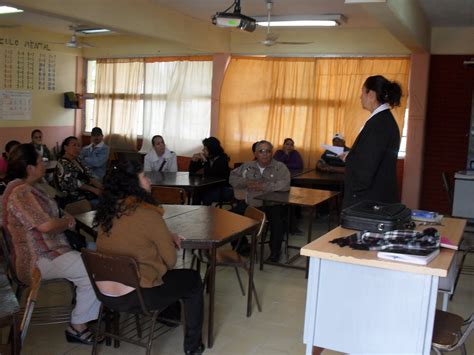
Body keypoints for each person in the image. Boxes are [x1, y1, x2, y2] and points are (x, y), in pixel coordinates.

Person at [94, 160, 205, 355]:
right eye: (144, 176)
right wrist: (165, 240)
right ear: (133, 184)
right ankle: (193, 346)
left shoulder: (108, 212)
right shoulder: (148, 215)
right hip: (139, 296)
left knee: (164, 276)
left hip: (105, 293)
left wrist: (162, 236)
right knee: (192, 279)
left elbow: (129, 236)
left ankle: (169, 316)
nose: (149, 180)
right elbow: (170, 262)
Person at [2, 144, 101, 345]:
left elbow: (52, 213)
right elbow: (46, 225)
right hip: (37, 259)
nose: (44, 164)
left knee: (94, 261)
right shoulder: (21, 192)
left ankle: (87, 308)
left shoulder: (27, 187)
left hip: (48, 252)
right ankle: (77, 326)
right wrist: (67, 222)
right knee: (95, 269)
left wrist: (64, 217)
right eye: (40, 162)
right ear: (29, 168)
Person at [342, 75, 402, 209]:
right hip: (374, 196)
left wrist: (354, 196)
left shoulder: (379, 124)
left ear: (371, 94)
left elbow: (366, 168)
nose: (360, 96)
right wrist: (351, 155)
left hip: (370, 200)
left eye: (362, 91)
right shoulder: (382, 120)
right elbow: (371, 155)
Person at [229, 140, 291, 262]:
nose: (265, 154)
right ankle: (242, 246)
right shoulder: (247, 166)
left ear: (271, 153)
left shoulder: (280, 167)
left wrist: (265, 186)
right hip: (252, 204)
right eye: (261, 151)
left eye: (268, 151)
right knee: (230, 216)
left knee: (277, 222)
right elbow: (232, 178)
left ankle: (275, 253)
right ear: (256, 153)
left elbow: (285, 184)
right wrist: (246, 182)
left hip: (272, 205)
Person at [55, 136, 103, 207]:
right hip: (73, 196)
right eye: (74, 145)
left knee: (108, 197)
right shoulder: (62, 163)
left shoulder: (78, 160)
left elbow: (90, 176)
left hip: (87, 192)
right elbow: (75, 183)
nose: (77, 148)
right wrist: (95, 190)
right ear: (65, 147)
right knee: (101, 203)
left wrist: (102, 187)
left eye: (78, 145)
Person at [189, 137, 233, 205]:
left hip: (221, 188)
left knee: (205, 195)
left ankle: (207, 213)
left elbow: (213, 175)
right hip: (209, 187)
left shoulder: (222, 159)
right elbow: (192, 172)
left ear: (212, 149)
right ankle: (194, 212)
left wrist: (205, 161)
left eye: (205, 148)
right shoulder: (208, 158)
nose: (203, 150)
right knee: (197, 191)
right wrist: (194, 161)